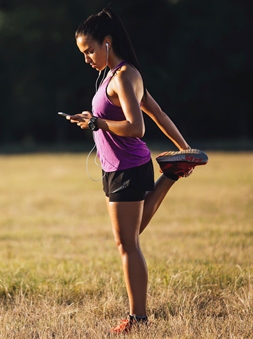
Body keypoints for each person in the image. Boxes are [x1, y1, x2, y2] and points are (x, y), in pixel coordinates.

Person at [66, 8, 208, 334]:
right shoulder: (110, 75)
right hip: (117, 168)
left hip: (128, 167)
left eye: (89, 50)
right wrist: (185, 148)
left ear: (107, 42)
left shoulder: (124, 76)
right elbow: (157, 110)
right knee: (129, 238)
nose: (86, 57)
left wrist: (99, 122)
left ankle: (138, 319)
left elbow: (137, 126)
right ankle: (173, 171)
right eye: (82, 52)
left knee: (127, 245)